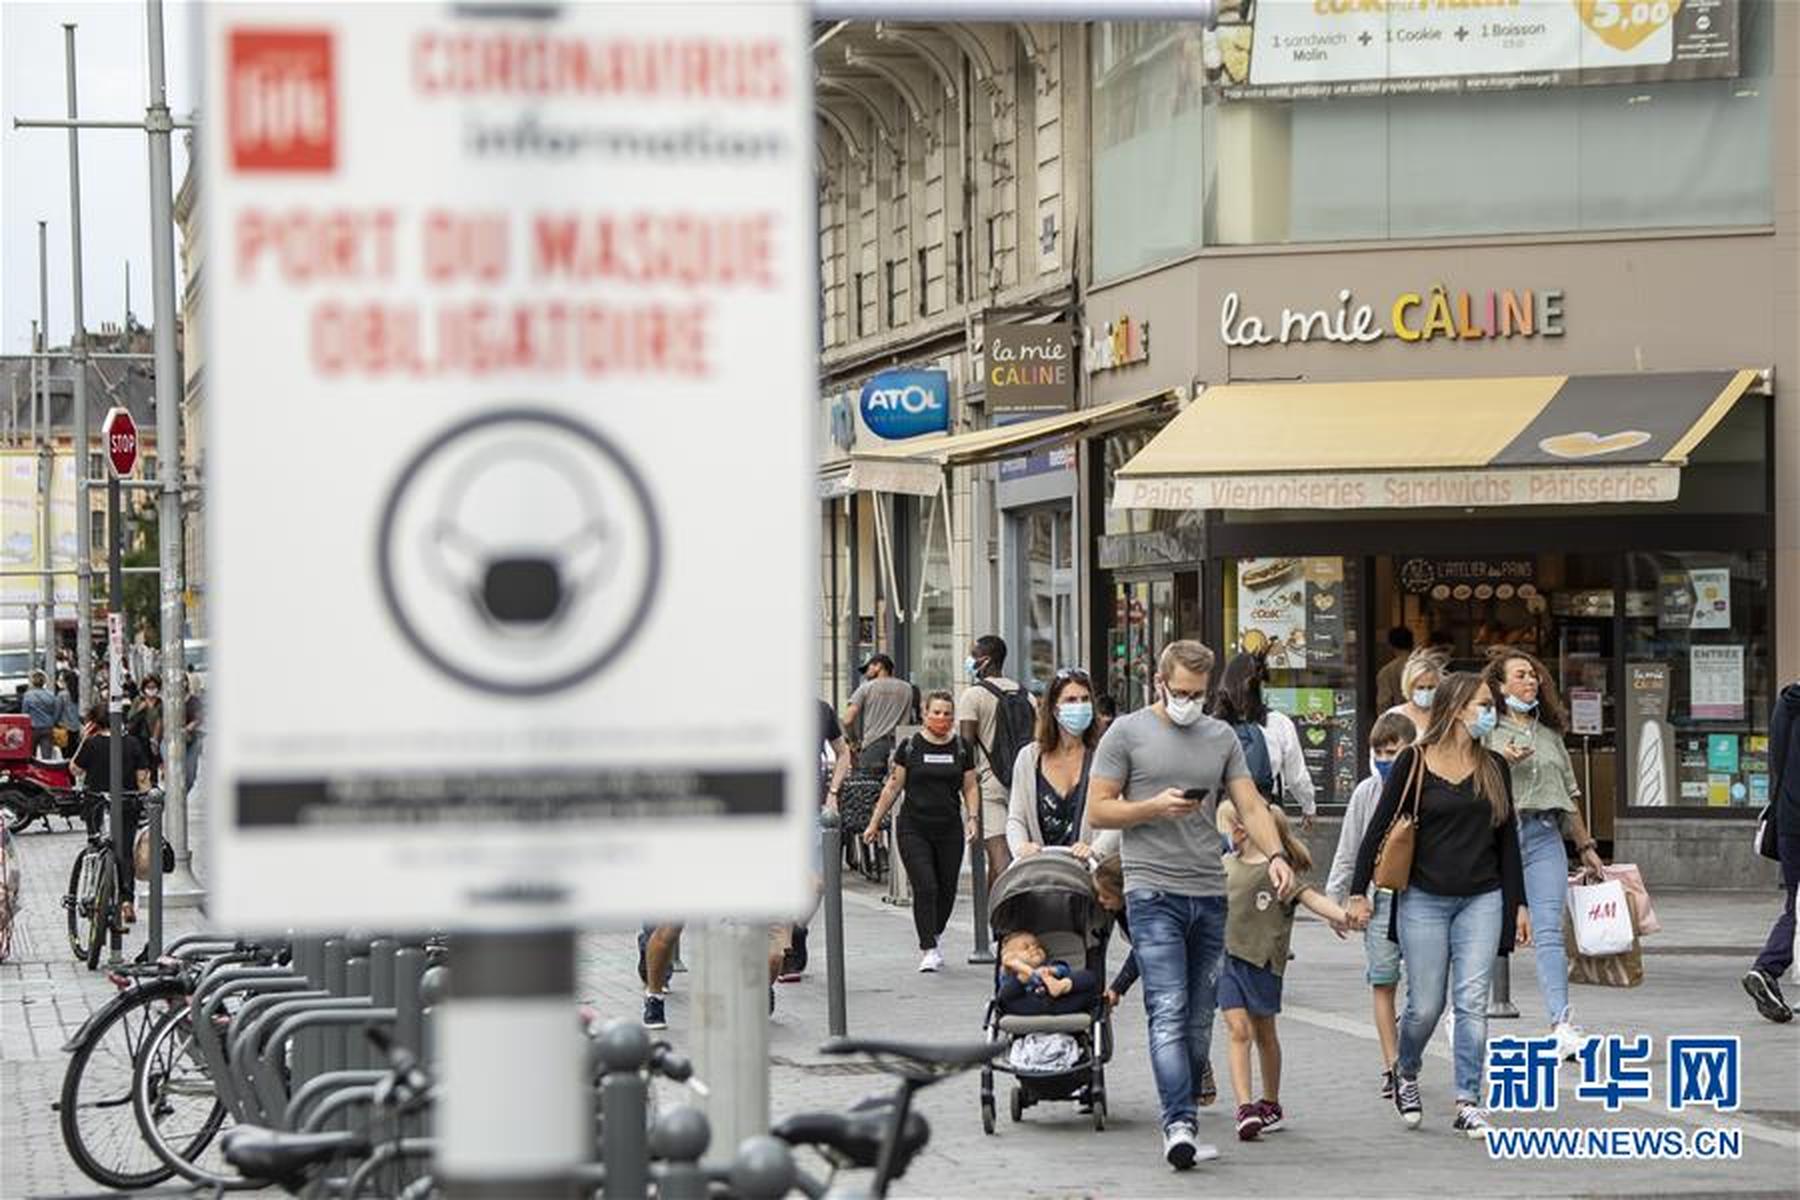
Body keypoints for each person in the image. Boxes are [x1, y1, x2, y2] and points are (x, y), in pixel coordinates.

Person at [1086, 639, 1295, 1171]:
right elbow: (1099, 810)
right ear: (1159, 683)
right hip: (1151, 890)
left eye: (1197, 694)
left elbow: (1249, 800)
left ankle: (1185, 1114)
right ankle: (1177, 1124)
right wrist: (1152, 807)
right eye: (1179, 691)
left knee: (1201, 1019)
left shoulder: (1219, 735)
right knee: (1169, 1007)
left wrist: (1275, 853)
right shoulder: (1127, 733)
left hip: (1209, 891)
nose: (1188, 701)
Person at [1348, 672, 1527, 1138]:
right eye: (1483, 705)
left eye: (1492, 705)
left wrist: (1518, 905)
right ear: (1455, 708)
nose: (1491, 713)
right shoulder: (1413, 761)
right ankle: (1405, 1070)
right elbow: (1379, 828)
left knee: (1471, 1002)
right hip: (1423, 897)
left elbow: (1508, 842)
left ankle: (1468, 1099)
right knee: (1426, 1005)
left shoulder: (1494, 767)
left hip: (1482, 897)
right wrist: (1355, 891)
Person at [1484, 649, 1606, 1059]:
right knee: (1485, 930)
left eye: (1534, 675)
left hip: (1544, 834)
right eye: (1520, 675)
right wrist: (1500, 758)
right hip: (1498, 836)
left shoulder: (1550, 733)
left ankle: (1562, 1023)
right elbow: (1467, 777)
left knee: (1550, 931)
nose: (1531, 681)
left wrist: (1585, 845)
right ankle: (1462, 1015)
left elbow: (1569, 795)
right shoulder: (1486, 729)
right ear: (1501, 686)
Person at [1215, 799, 1355, 1142]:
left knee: (1265, 1034)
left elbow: (1311, 899)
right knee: (1238, 1030)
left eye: (1226, 826)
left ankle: (1271, 1102)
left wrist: (1342, 916)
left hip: (1263, 963)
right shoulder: (1223, 865)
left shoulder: (1279, 872)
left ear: (1242, 828)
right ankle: (1245, 1107)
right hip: (1228, 960)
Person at [1326, 710, 1419, 1099]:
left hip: (1420, 897)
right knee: (1383, 981)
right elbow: (1350, 848)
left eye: (1392, 751)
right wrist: (1337, 900)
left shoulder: (1425, 788)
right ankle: (1392, 1066)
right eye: (1378, 752)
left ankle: (1408, 1044)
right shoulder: (1367, 792)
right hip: (1379, 898)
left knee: (1426, 989)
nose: (1384, 759)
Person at [863, 691, 979, 972]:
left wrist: (973, 817)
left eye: (947, 713)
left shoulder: (962, 748)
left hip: (949, 828)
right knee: (926, 886)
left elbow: (970, 786)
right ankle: (928, 947)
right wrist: (874, 821)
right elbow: (893, 786)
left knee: (947, 889)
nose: (941, 718)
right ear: (925, 714)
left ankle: (935, 932)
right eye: (936, 712)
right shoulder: (911, 746)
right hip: (914, 827)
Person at [1208, 653, 1317, 830]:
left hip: (1223, 817)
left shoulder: (1211, 726)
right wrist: (1308, 807)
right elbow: (1297, 778)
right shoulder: (1279, 723)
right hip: (1265, 814)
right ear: (1260, 686)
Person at [1745, 679, 1800, 1022]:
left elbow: (1778, 765)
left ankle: (1767, 969)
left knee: (1798, 901)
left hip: (1790, 821)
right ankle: (1768, 966)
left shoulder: (1786, 704)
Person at [957, 635, 1032, 885]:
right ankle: (997, 918)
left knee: (1000, 859)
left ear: (985, 660)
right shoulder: (1026, 695)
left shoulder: (973, 696)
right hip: (1024, 783)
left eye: (972, 655)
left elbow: (965, 746)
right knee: (1018, 856)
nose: (969, 660)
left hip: (989, 785)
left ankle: (1008, 920)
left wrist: (965, 789)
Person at [70, 705, 153, 924]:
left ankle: (96, 889)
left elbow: (75, 769)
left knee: (96, 845)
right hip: (126, 803)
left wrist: (84, 740)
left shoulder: (91, 743)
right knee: (125, 852)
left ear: (95, 723)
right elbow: (143, 778)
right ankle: (126, 901)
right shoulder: (132, 743)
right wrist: (148, 801)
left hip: (96, 803)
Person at [1006, 667, 1098, 859]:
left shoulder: (1103, 757)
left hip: (1089, 872)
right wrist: (1021, 846)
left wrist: (1095, 849)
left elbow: (1116, 817)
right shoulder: (1029, 759)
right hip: (1041, 874)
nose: (1080, 706)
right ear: (1055, 708)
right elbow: (1016, 817)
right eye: (1071, 700)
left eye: (1085, 699)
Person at [997, 930, 1102, 1016]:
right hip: (1027, 1005)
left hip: (1058, 1002)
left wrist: (1050, 972)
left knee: (1090, 977)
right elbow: (1005, 996)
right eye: (1026, 947)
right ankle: (1026, 972)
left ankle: (1061, 986)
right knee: (1006, 997)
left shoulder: (1050, 965)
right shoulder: (1010, 974)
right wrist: (1023, 969)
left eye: (1037, 946)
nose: (1033, 948)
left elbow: (1064, 970)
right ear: (1011, 957)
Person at [843, 654, 913, 771]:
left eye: (868, 668)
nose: (866, 673)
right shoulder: (908, 689)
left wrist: (854, 741)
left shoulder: (866, 688)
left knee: (871, 787)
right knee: (897, 786)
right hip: (901, 746)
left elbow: (847, 720)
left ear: (878, 666)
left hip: (874, 745)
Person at [1387, 648, 1448, 738]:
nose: (1426, 692)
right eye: (1420, 687)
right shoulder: (1394, 717)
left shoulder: (1447, 717)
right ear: (1409, 687)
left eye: (1431, 687)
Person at [1375, 627, 1417, 713]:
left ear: (1390, 645)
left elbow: (1384, 704)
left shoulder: (1387, 672)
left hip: (1399, 720)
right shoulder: (1424, 666)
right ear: (1412, 643)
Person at [20, 671, 60, 757]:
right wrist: (52, 722)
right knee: (47, 756)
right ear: (44, 682)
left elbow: (25, 713)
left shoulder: (28, 695)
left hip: (32, 728)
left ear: (32, 682)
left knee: (31, 755)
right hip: (47, 727)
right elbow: (56, 712)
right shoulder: (51, 695)